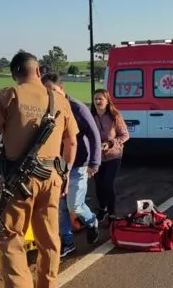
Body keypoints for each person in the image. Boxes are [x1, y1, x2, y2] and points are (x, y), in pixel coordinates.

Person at [0, 51, 78, 288]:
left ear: (14, 73)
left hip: (19, 181)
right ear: (38, 71)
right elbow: (71, 143)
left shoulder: (8, 96)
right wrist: (66, 172)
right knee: (50, 239)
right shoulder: (60, 99)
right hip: (52, 176)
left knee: (9, 237)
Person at [41, 72, 102, 256]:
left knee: (74, 205)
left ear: (62, 88)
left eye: (52, 90)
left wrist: (94, 162)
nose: (50, 94)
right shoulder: (46, 109)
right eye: (46, 91)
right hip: (56, 165)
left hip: (78, 164)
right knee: (60, 207)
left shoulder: (77, 108)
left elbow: (94, 135)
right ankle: (67, 242)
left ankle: (91, 220)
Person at [90, 88, 129, 221]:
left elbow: (125, 135)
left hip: (114, 156)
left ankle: (112, 212)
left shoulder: (115, 116)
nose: (97, 101)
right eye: (95, 99)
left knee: (108, 183)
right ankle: (103, 209)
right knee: (99, 185)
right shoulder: (91, 116)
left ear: (107, 101)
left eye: (100, 99)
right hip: (97, 157)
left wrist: (111, 143)